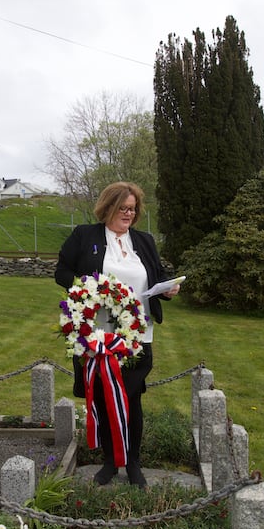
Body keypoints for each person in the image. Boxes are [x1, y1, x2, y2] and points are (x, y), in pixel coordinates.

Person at [55, 182, 178, 487]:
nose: (128, 214)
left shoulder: (144, 241)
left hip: (137, 336)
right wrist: (86, 290)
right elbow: (62, 271)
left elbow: (158, 275)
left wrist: (167, 289)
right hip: (97, 337)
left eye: (132, 209)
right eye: (123, 208)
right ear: (108, 207)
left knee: (131, 398)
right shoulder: (85, 236)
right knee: (103, 397)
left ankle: (133, 463)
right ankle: (110, 462)